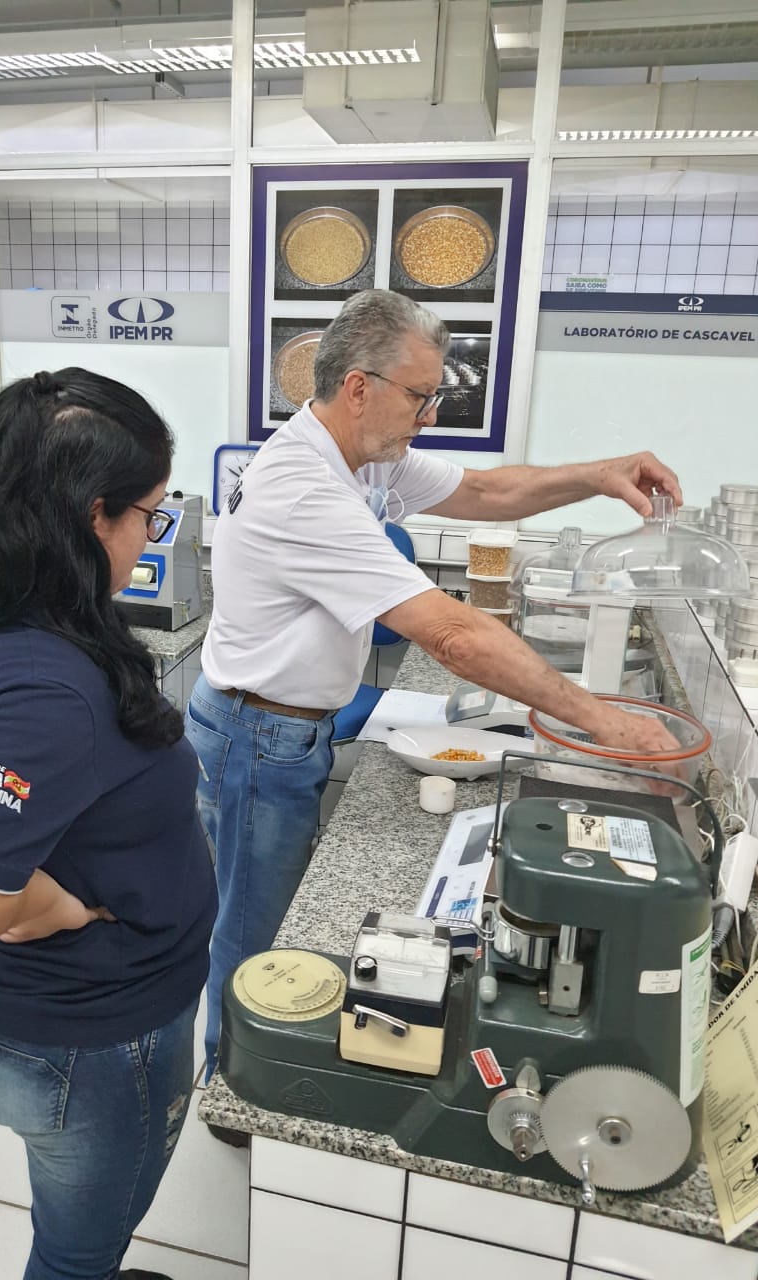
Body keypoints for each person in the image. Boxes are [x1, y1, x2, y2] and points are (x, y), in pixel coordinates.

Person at [187, 288, 684, 1084]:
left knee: (257, 907)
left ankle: (240, 1061)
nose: (429, 415)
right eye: (420, 396)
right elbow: (451, 635)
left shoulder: (361, 456)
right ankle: (233, 1080)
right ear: (359, 387)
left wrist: (601, 473)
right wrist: (601, 720)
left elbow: (488, 493)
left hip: (283, 726)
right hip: (256, 735)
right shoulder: (302, 485)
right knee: (252, 925)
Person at [0, 368, 217, 1280]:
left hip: (54, 1021)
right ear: (92, 515)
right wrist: (51, 907)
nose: (154, 533)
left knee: (79, 1212)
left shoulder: (0, 604)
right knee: (79, 1245)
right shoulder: (46, 688)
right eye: (151, 514)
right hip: (95, 1037)